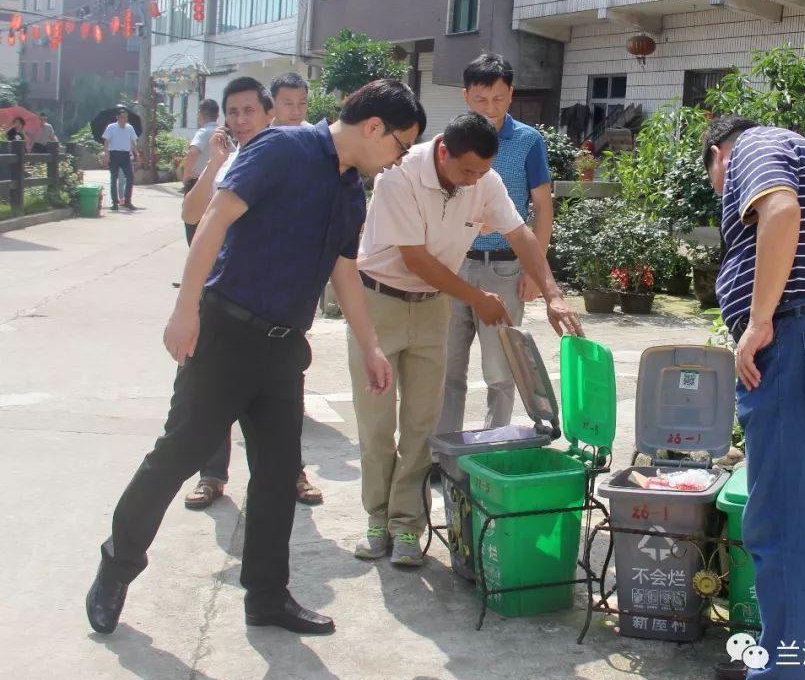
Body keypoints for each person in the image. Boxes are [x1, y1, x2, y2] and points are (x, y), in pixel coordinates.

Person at [86, 79, 424, 638]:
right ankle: (117, 566)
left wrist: (369, 346)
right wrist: (185, 309)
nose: (395, 160)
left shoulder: (348, 192)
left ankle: (266, 598)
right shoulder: (281, 148)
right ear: (373, 128)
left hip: (282, 348)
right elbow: (215, 219)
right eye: (398, 145)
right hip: (223, 334)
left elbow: (344, 272)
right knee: (177, 457)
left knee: (275, 476)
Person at [350, 111, 582, 567]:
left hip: (432, 306)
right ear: (442, 152)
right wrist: (478, 297)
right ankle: (377, 519)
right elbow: (415, 259)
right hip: (379, 303)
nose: (474, 180)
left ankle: (407, 528)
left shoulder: (485, 180)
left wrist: (553, 296)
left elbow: (521, 236)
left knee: (422, 423)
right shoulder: (399, 174)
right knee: (377, 424)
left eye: (482, 171)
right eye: (466, 170)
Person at [702, 116, 805, 680]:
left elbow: (780, 212)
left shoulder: (753, 145)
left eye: (719, 185)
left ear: (718, 154)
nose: (725, 194)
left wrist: (760, 318)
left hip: (793, 342)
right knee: (795, 526)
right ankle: (779, 674)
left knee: (779, 528)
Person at [435, 53, 553, 441]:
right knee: (448, 369)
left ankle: (489, 449)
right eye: (482, 100)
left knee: (500, 371)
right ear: (467, 97)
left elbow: (542, 205)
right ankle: (443, 452)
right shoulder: (448, 141)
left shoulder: (527, 140)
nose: (491, 108)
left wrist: (536, 272)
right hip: (455, 266)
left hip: (504, 268)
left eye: (499, 99)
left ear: (511, 95)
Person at [178, 80, 273, 510]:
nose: (240, 120)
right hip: (219, 297)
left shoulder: (284, 160)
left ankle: (281, 476)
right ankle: (212, 475)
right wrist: (215, 163)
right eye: (233, 113)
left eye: (248, 111)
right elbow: (191, 214)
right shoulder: (228, 160)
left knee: (272, 401)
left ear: (268, 114)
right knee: (208, 394)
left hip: (268, 303)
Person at [181, 99, 221, 245]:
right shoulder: (222, 133)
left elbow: (193, 152)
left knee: (193, 225)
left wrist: (186, 175)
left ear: (200, 114)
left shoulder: (203, 132)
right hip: (217, 185)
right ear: (217, 115)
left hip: (198, 183)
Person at [102, 107, 141, 211]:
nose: (125, 119)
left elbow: (133, 142)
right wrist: (106, 155)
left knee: (130, 177)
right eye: (123, 117)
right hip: (114, 154)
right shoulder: (111, 127)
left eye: (126, 117)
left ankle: (127, 201)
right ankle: (115, 202)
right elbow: (106, 141)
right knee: (114, 179)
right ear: (118, 118)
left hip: (125, 155)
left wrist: (137, 155)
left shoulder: (129, 128)